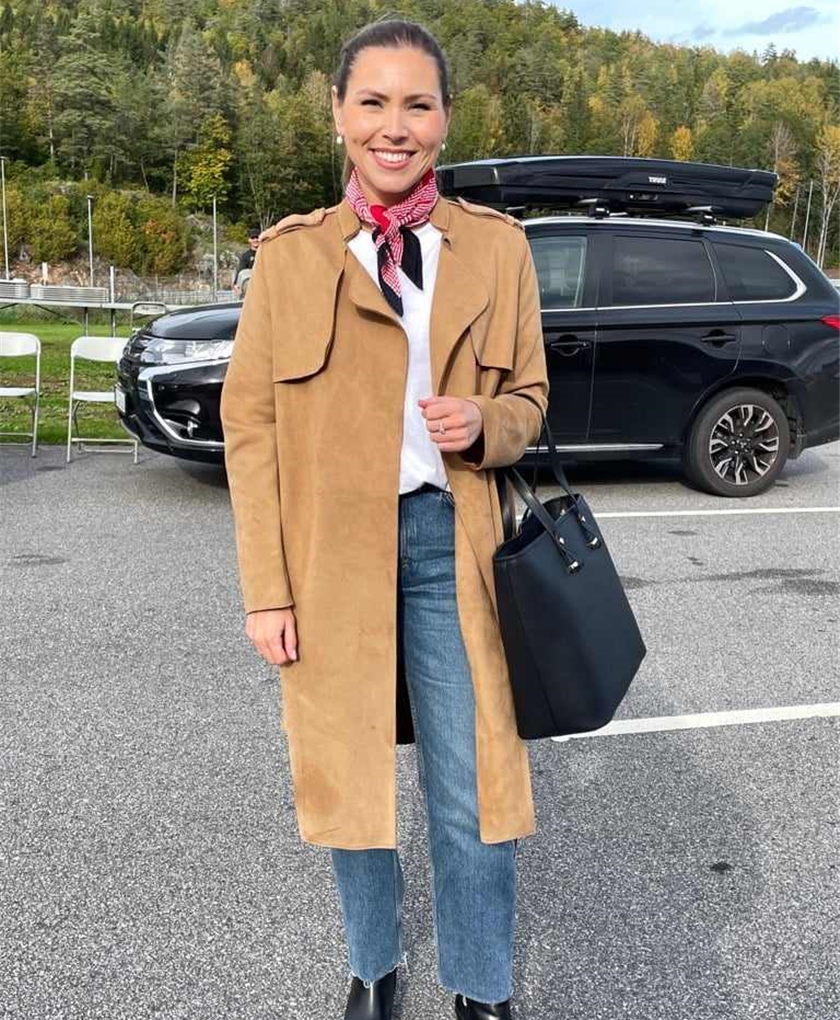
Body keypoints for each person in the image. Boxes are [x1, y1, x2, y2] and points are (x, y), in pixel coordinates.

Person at [219, 18, 548, 1020]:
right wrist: (267, 590)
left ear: (445, 120)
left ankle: (482, 989)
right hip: (330, 559)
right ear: (338, 113)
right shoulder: (289, 259)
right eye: (372, 102)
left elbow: (531, 402)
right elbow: (250, 430)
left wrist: (485, 422)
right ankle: (373, 969)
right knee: (349, 780)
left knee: (472, 788)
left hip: (455, 545)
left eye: (417, 104)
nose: (393, 126)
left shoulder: (498, 250)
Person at [232, 228, 260, 297]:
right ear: (249, 240)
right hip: (251, 286)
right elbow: (241, 271)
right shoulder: (246, 256)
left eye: (257, 237)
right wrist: (236, 284)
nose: (255, 240)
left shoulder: (265, 253)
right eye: (253, 238)